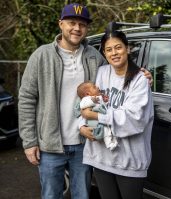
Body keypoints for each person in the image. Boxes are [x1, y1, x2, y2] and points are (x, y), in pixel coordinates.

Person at [18, 3, 152, 199]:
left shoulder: (94, 57)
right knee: (50, 195)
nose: (77, 28)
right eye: (72, 22)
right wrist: (29, 141)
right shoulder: (41, 56)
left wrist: (142, 73)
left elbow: (118, 70)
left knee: (82, 195)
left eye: (82, 24)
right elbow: (26, 99)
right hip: (50, 146)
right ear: (61, 24)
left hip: (85, 143)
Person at [80, 28, 154, 199]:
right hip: (100, 157)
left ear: (127, 48)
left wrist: (97, 116)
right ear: (104, 53)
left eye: (118, 47)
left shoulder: (140, 79)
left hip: (129, 161)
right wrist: (82, 127)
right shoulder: (101, 72)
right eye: (109, 49)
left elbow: (134, 119)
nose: (114, 53)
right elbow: (86, 102)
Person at [77, 81, 118, 150]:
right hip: (94, 121)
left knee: (108, 129)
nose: (97, 87)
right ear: (88, 94)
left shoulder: (98, 97)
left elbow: (103, 105)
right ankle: (109, 144)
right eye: (94, 87)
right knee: (106, 131)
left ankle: (112, 140)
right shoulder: (86, 99)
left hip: (101, 118)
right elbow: (82, 105)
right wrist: (92, 100)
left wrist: (105, 100)